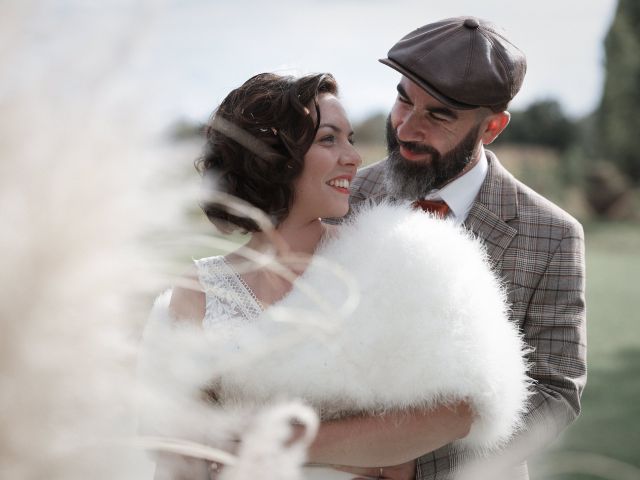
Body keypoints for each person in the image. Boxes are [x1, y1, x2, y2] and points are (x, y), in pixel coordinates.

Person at [145, 71, 530, 480]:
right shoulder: (200, 291)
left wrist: (281, 443)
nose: (354, 156)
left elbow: (461, 409)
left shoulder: (398, 257)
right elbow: (178, 459)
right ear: (272, 156)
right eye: (329, 139)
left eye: (349, 138)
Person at [346, 16, 587, 479]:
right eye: (403, 99)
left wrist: (412, 464)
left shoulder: (554, 235)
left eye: (439, 114)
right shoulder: (343, 199)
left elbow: (555, 391)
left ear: (492, 127)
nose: (407, 129)